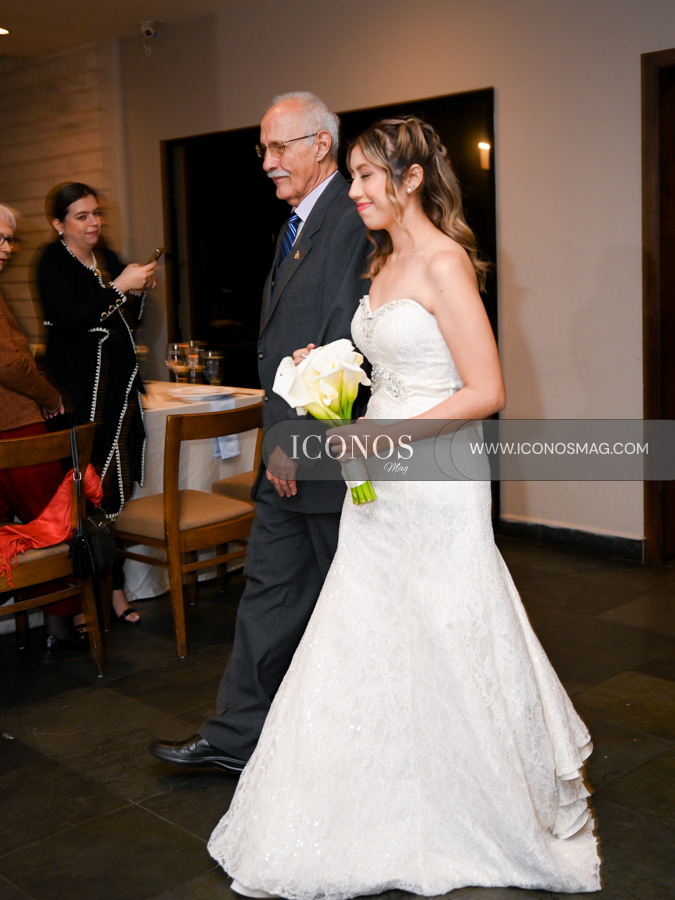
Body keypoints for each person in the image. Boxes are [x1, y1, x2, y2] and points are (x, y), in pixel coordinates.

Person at [206, 118, 601, 897]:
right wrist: (326, 373)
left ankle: (474, 800)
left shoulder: (444, 261)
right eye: (351, 175)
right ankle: (375, 794)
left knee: (447, 622)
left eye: (364, 175)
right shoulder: (381, 261)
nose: (352, 189)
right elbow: (387, 366)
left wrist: (382, 436)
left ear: (410, 179)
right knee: (370, 623)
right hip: (376, 473)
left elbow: (485, 390)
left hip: (433, 474)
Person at [148, 91, 370, 770]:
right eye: (263, 149)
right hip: (286, 455)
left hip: (322, 454)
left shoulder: (351, 219)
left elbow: (341, 345)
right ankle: (235, 737)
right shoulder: (295, 226)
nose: (268, 162)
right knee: (267, 597)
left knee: (356, 607)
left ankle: (366, 749)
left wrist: (295, 441)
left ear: (321, 145)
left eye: (279, 147)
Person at [36, 183, 156, 624]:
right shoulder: (52, 263)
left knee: (113, 494)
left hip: (118, 393)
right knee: (83, 496)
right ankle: (83, 599)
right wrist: (120, 287)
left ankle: (115, 591)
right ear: (59, 224)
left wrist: (138, 291)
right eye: (82, 216)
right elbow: (69, 323)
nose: (93, 223)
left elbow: (127, 320)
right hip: (82, 397)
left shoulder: (104, 257)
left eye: (96, 213)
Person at [0, 203, 82, 660]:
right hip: (15, 424)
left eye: (10, 239)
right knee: (53, 523)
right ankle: (61, 627)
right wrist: (50, 396)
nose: (8, 248)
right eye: (0, 238)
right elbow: (9, 364)